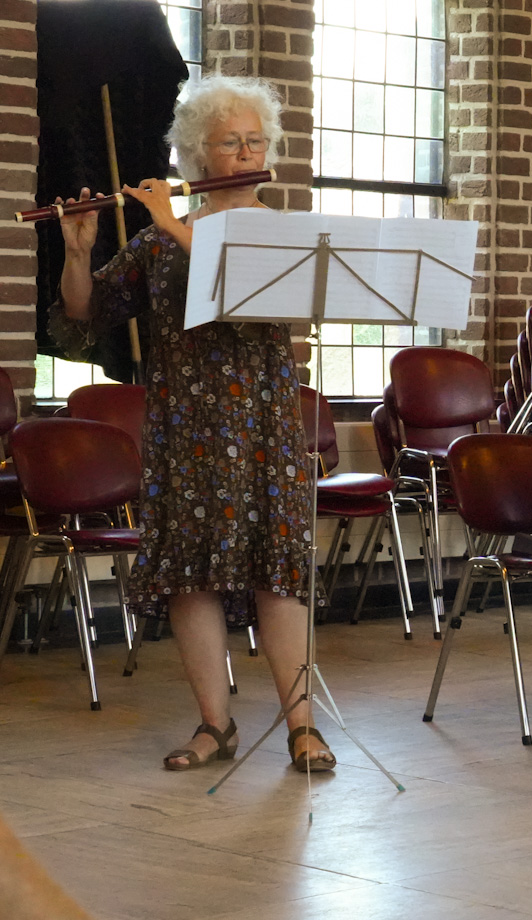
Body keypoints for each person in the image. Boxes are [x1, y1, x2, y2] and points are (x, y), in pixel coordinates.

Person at [52, 75, 331, 773]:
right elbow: (86, 319)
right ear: (197, 155)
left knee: (278, 576)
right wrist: (79, 252)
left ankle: (303, 728)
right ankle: (215, 725)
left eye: (255, 141)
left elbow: (241, 295)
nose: (244, 152)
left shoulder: (279, 234)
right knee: (190, 578)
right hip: (184, 430)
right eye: (229, 142)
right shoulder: (155, 242)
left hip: (265, 427)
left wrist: (173, 226)